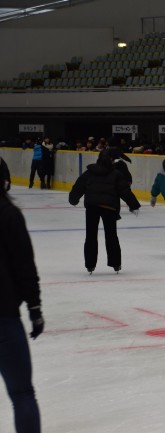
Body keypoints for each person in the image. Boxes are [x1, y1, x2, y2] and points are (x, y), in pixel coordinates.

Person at [0, 164, 44, 433]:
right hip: (4, 318)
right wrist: (35, 308)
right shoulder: (9, 215)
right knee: (22, 393)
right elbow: (25, 267)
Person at [69, 150, 141, 274]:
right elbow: (125, 191)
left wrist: (73, 199)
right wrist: (133, 205)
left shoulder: (89, 173)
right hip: (110, 208)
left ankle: (90, 265)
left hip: (92, 207)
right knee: (111, 236)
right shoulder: (116, 174)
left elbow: (78, 186)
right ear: (110, 160)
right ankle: (116, 264)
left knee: (91, 236)